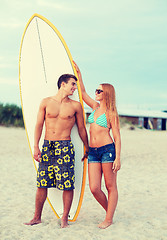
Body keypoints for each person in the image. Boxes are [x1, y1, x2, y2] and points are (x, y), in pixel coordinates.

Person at [24, 74, 89, 228]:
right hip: (47, 146)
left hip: (65, 147)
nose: (74, 88)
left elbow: (81, 128)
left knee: (67, 184)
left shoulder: (75, 106)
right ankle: (36, 217)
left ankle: (65, 219)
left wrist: (87, 146)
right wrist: (35, 146)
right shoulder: (46, 102)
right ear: (63, 84)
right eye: (72, 84)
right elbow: (39, 125)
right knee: (42, 183)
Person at [74, 62, 121, 229]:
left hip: (108, 151)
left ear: (106, 93)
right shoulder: (94, 107)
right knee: (94, 188)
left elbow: (117, 136)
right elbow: (83, 92)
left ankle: (108, 219)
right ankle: (110, 212)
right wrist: (79, 74)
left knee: (110, 186)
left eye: (100, 90)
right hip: (93, 152)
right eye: (97, 89)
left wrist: (118, 157)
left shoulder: (111, 113)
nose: (96, 92)